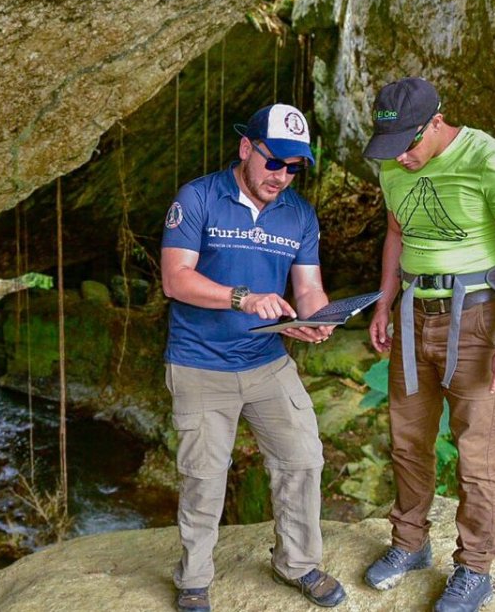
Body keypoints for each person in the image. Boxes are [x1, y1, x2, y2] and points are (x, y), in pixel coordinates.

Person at [360, 77, 495, 612]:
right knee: (407, 438)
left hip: (477, 316)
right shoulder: (395, 162)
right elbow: (397, 234)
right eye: (390, 149)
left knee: (476, 450)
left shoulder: (491, 160)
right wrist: (383, 302)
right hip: (411, 311)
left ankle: (474, 568)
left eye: (407, 146)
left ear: (436, 123)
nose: (400, 159)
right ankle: (410, 544)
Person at [160, 103, 346, 612]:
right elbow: (175, 279)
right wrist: (241, 297)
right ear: (246, 148)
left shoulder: (299, 214)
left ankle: (299, 564)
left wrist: (317, 316)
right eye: (273, 162)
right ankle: (194, 578)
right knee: (203, 476)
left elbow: (307, 287)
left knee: (303, 458)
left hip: (267, 358)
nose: (282, 176)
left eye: (293, 168)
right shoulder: (198, 198)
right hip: (200, 361)